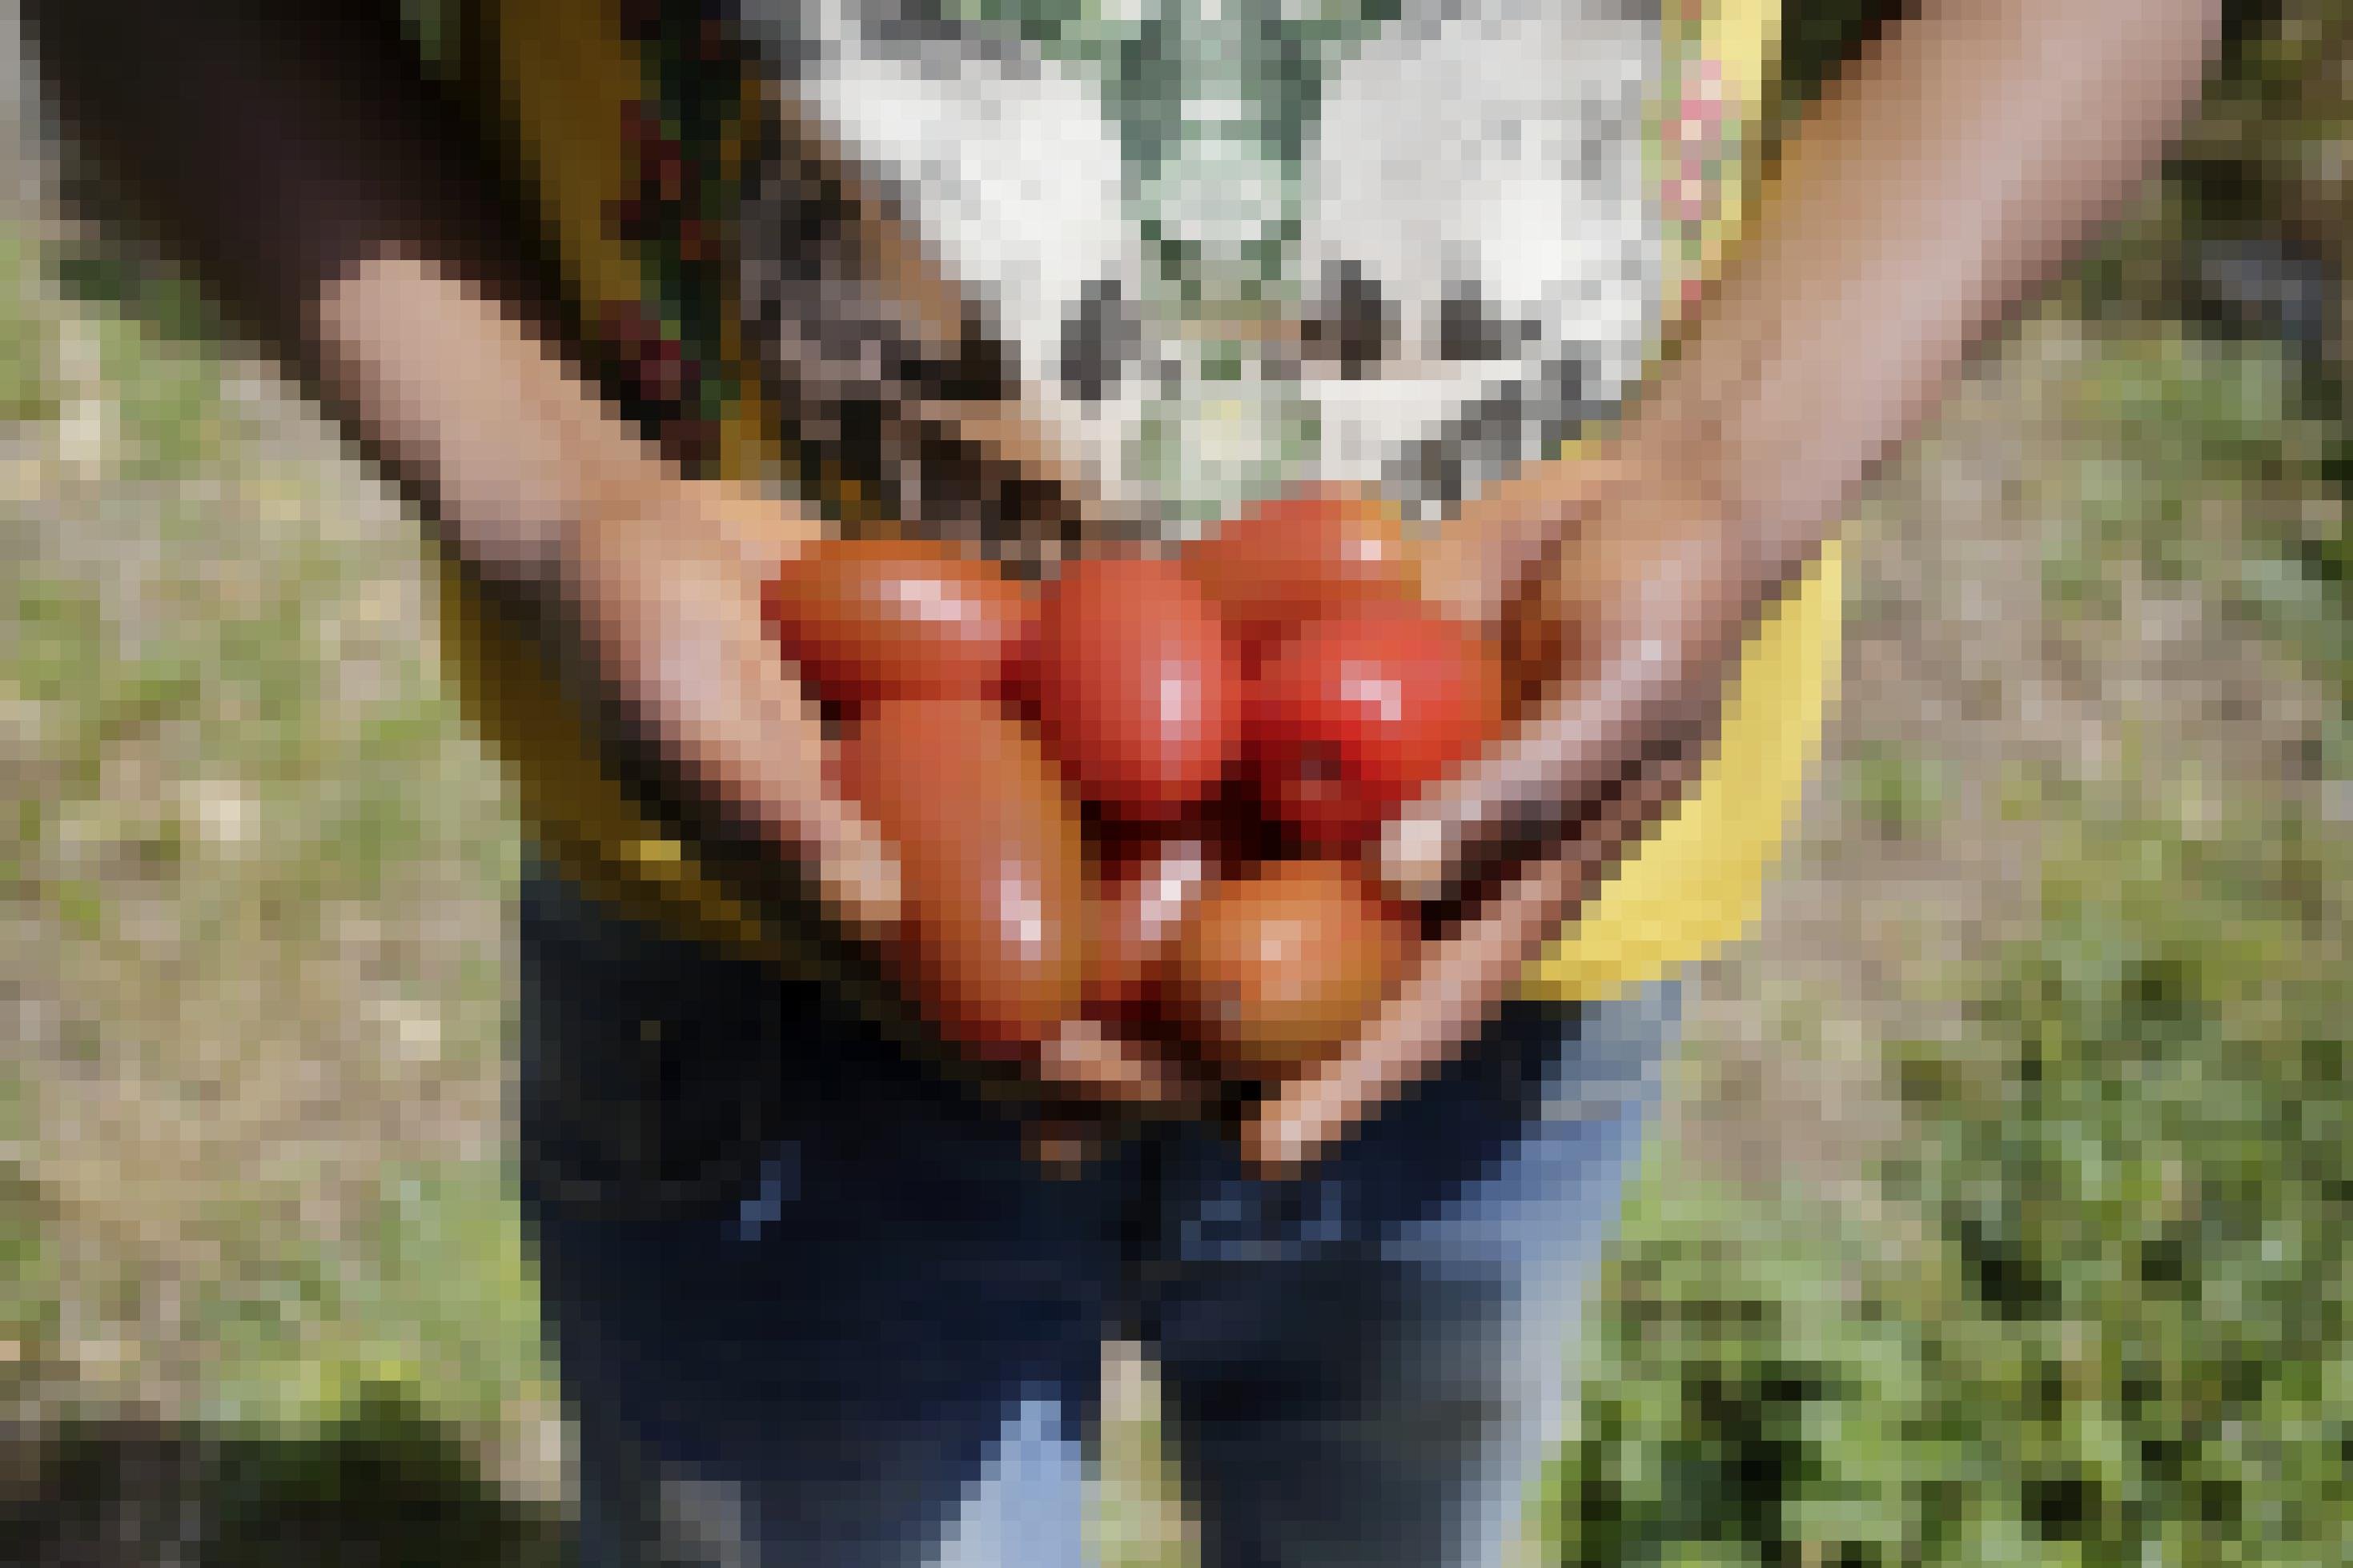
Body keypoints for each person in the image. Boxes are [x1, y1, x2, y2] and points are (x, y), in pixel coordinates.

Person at [27, 2, 2223, 1563]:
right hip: (751, 920)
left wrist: (1723, 481)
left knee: (1399, 1509)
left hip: (1496, 922)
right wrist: (549, 494)